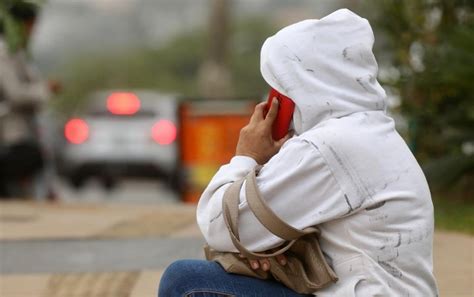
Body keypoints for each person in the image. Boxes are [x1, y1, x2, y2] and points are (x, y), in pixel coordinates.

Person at [159, 9, 438, 296]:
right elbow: (253, 232)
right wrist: (261, 248)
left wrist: (245, 157)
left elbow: (218, 225)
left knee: (184, 280)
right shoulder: (370, 132)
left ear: (299, 85)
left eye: (278, 88)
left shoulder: (329, 146)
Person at [0, 1, 58, 199]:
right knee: (30, 158)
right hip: (9, 131)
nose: (33, 30)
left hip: (22, 130)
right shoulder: (3, 52)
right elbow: (15, 94)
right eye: (30, 25)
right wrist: (43, 89)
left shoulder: (18, 52)